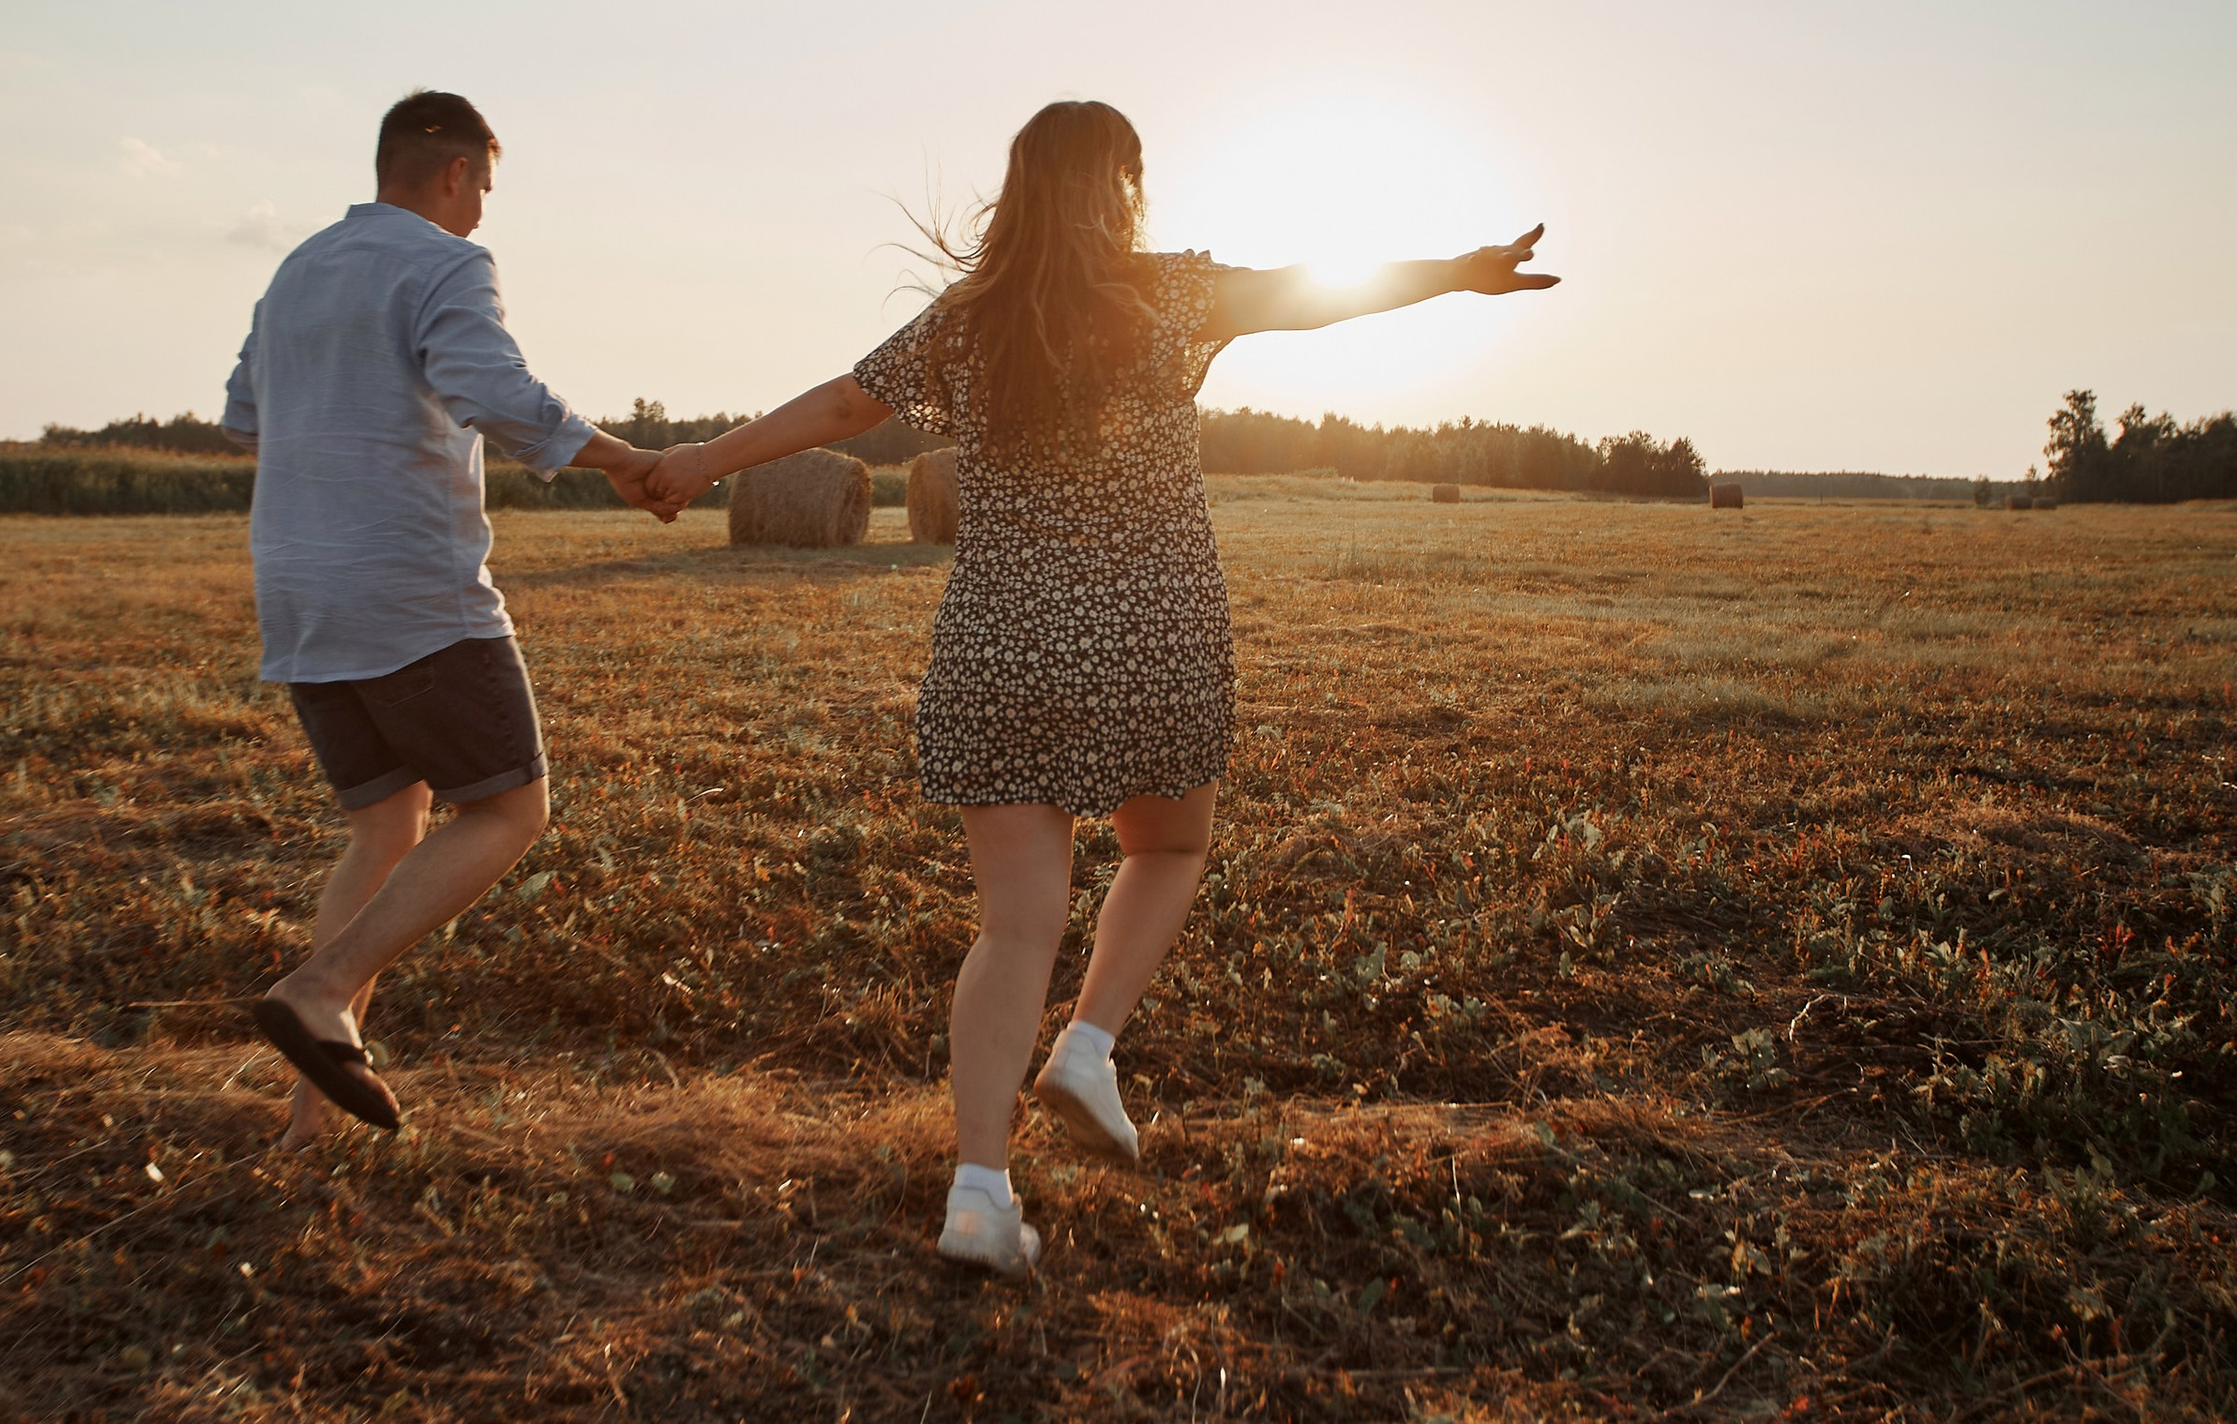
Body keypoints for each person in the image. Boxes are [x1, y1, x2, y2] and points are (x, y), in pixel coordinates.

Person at [645, 100, 1557, 1272]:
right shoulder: (1174, 293)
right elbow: (1326, 290)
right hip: (1151, 630)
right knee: (1166, 850)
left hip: (1003, 639)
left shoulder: (966, 323)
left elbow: (839, 410)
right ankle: (1088, 1046)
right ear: (1121, 186)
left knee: (1016, 922)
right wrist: (1459, 275)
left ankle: (978, 1190)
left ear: (1018, 188)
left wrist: (697, 462)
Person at [224, 89, 668, 1150]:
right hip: (411, 591)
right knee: (512, 809)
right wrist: (621, 462)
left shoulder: (297, 269)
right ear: (457, 172)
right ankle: (323, 984)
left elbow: (245, 413)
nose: (481, 217)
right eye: (484, 192)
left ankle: (305, 1123)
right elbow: (498, 393)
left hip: (296, 590)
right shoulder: (443, 262)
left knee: (386, 828)